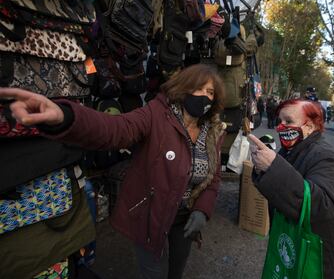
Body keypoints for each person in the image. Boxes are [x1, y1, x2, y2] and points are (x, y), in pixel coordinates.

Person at [0, 64, 226, 279]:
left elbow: (213, 178)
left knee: (176, 271)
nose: (203, 96)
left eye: (210, 92)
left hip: (185, 220)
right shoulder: (156, 114)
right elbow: (116, 129)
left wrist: (202, 210)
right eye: (198, 87)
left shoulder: (213, 133)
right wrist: (66, 116)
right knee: (154, 273)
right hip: (150, 216)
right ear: (184, 87)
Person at [248, 99, 334, 279]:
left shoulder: (328, 158)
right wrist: (262, 169)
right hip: (297, 245)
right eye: (280, 121)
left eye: (289, 121)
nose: (281, 127)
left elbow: (322, 205)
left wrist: (273, 167)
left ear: (310, 127)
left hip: (323, 260)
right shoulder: (291, 150)